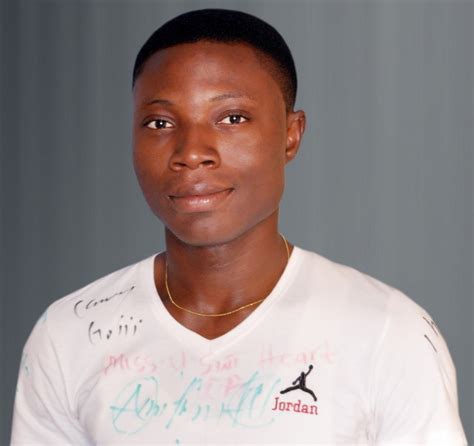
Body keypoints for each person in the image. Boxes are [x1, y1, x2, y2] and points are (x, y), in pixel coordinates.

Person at [11, 8, 467, 445]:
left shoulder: (387, 332)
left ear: (291, 135)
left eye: (232, 118)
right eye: (160, 122)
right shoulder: (68, 335)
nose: (192, 152)